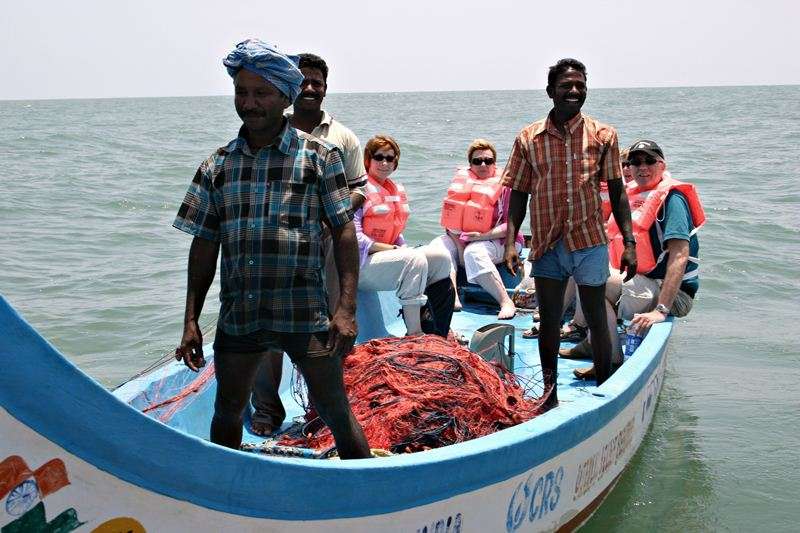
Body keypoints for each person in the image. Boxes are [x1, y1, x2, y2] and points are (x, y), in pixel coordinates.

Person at [173, 39, 370, 459]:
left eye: (261, 93)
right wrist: (191, 320)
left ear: (286, 96)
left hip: (304, 312)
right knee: (227, 411)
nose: (250, 103)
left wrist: (346, 309)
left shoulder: (320, 157)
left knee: (336, 412)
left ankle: (370, 500)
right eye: (241, 92)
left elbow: (343, 233)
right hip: (240, 316)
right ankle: (223, 499)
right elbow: (204, 245)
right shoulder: (217, 165)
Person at [503, 58, 637, 408]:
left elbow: (618, 191)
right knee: (548, 321)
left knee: (596, 318)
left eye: (580, 85)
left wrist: (630, 242)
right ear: (551, 92)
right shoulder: (528, 138)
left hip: (589, 240)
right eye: (566, 86)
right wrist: (511, 242)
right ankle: (550, 395)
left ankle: (605, 388)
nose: (574, 91)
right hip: (548, 243)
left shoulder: (603, 135)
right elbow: (518, 193)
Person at [250, 53, 367, 437]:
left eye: (318, 82)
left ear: (326, 88)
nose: (311, 89)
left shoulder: (343, 137)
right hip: (279, 253)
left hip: (330, 248)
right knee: (267, 329)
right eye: (303, 81)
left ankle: (323, 410)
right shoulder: (270, 132)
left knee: (329, 328)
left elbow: (359, 189)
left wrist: (328, 211)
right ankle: (266, 409)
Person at [568, 140, 705, 377]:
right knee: (586, 267)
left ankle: (610, 358)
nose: (642, 167)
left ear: (662, 165)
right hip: (643, 282)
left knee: (594, 281)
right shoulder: (635, 195)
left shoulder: (672, 200)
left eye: (649, 161)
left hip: (672, 295)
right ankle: (594, 340)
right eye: (635, 162)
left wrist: (661, 310)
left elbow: (680, 255)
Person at [355, 134, 454, 336]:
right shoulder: (358, 190)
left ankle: (437, 332)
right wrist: (390, 249)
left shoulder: (392, 190)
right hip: (358, 265)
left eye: (390, 158)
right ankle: (414, 333)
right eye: (378, 157)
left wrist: (399, 248)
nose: (384, 163)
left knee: (441, 258)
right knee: (413, 259)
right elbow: (354, 238)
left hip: (384, 260)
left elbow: (396, 233)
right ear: (367, 160)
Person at [430, 139, 524, 319]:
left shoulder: (506, 187)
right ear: (470, 165)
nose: (483, 164)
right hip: (464, 238)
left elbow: (511, 226)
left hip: (502, 240)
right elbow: (451, 224)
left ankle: (505, 302)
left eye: (488, 161)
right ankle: (452, 297)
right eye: (477, 161)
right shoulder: (461, 185)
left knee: (474, 252)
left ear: (494, 163)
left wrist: (480, 237)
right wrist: (459, 246)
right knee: (437, 248)